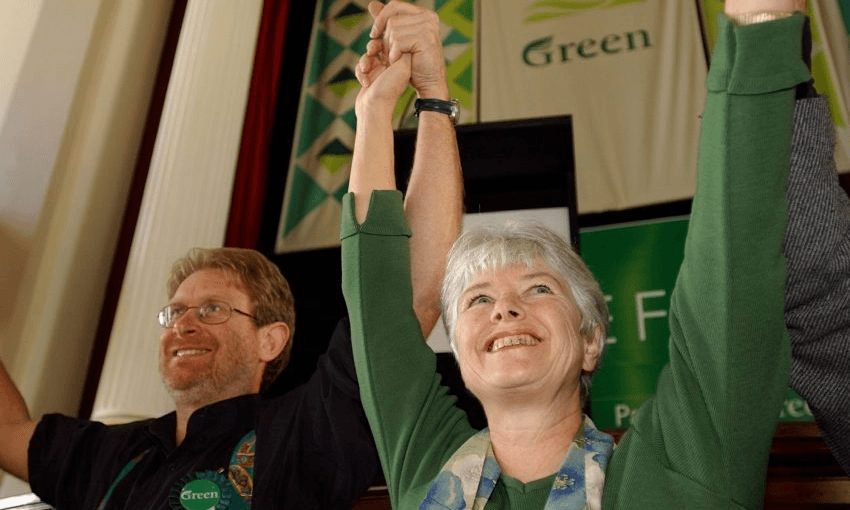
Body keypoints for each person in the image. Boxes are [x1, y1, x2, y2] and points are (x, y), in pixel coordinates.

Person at [342, 0, 814, 508]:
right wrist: (387, 109)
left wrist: (759, 22)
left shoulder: (685, 464)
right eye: (477, 300)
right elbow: (385, 306)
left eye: (539, 288)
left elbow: (731, 261)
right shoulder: (426, 466)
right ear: (456, 353)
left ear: (591, 341)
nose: (504, 309)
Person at [0, 5, 461, 505]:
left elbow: (406, 299)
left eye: (212, 309)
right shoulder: (113, 454)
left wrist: (427, 101)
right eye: (175, 312)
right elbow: (7, 431)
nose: (183, 325)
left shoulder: (307, 431)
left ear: (272, 339)